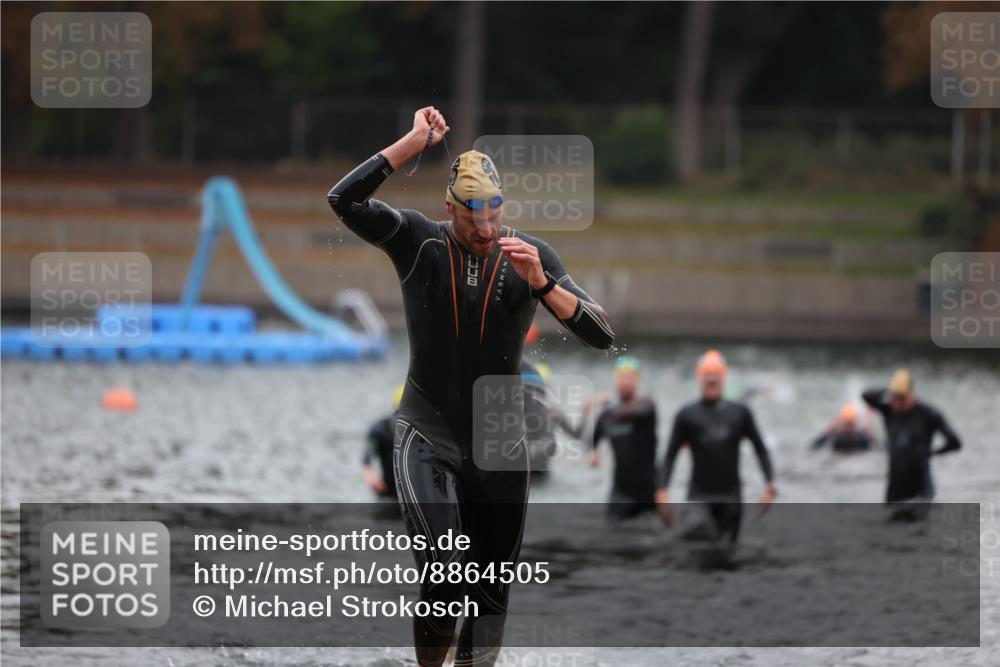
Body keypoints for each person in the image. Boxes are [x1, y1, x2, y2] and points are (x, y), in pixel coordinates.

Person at [327, 107, 614, 667]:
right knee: (444, 574)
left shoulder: (531, 257)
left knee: (491, 595)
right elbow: (344, 201)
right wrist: (412, 143)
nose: (484, 230)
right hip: (427, 431)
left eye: (493, 215)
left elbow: (603, 336)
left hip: (500, 441)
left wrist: (545, 285)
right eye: (471, 217)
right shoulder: (419, 241)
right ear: (449, 208)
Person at [656, 349, 776, 544]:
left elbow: (760, 450)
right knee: (697, 548)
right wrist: (662, 491)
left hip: (731, 499)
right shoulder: (686, 415)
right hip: (698, 497)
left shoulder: (740, 413)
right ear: (699, 376)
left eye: (716, 374)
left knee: (727, 553)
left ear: (723, 375)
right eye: (707, 374)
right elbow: (670, 456)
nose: (711, 378)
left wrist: (769, 485)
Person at [862, 369, 961, 504]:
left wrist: (932, 453)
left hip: (921, 488)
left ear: (911, 394)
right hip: (895, 488)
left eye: (902, 398)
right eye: (894, 397)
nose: (897, 402)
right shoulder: (888, 411)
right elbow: (866, 395)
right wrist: (890, 390)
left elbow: (955, 442)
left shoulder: (928, 413)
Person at [589, 357, 659, 520]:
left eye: (630, 377)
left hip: (647, 493)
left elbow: (632, 412)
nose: (626, 382)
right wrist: (593, 451)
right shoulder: (607, 415)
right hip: (619, 493)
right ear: (615, 380)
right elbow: (597, 433)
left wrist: (604, 406)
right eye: (622, 377)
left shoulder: (647, 406)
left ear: (637, 381)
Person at [520, 358, 585, 480]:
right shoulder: (552, 412)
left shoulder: (551, 413)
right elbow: (576, 435)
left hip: (530, 470)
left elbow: (575, 435)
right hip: (536, 469)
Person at [362, 385, 404, 500]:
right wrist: (369, 473)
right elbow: (367, 456)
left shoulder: (426, 431)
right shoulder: (380, 429)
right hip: (388, 493)